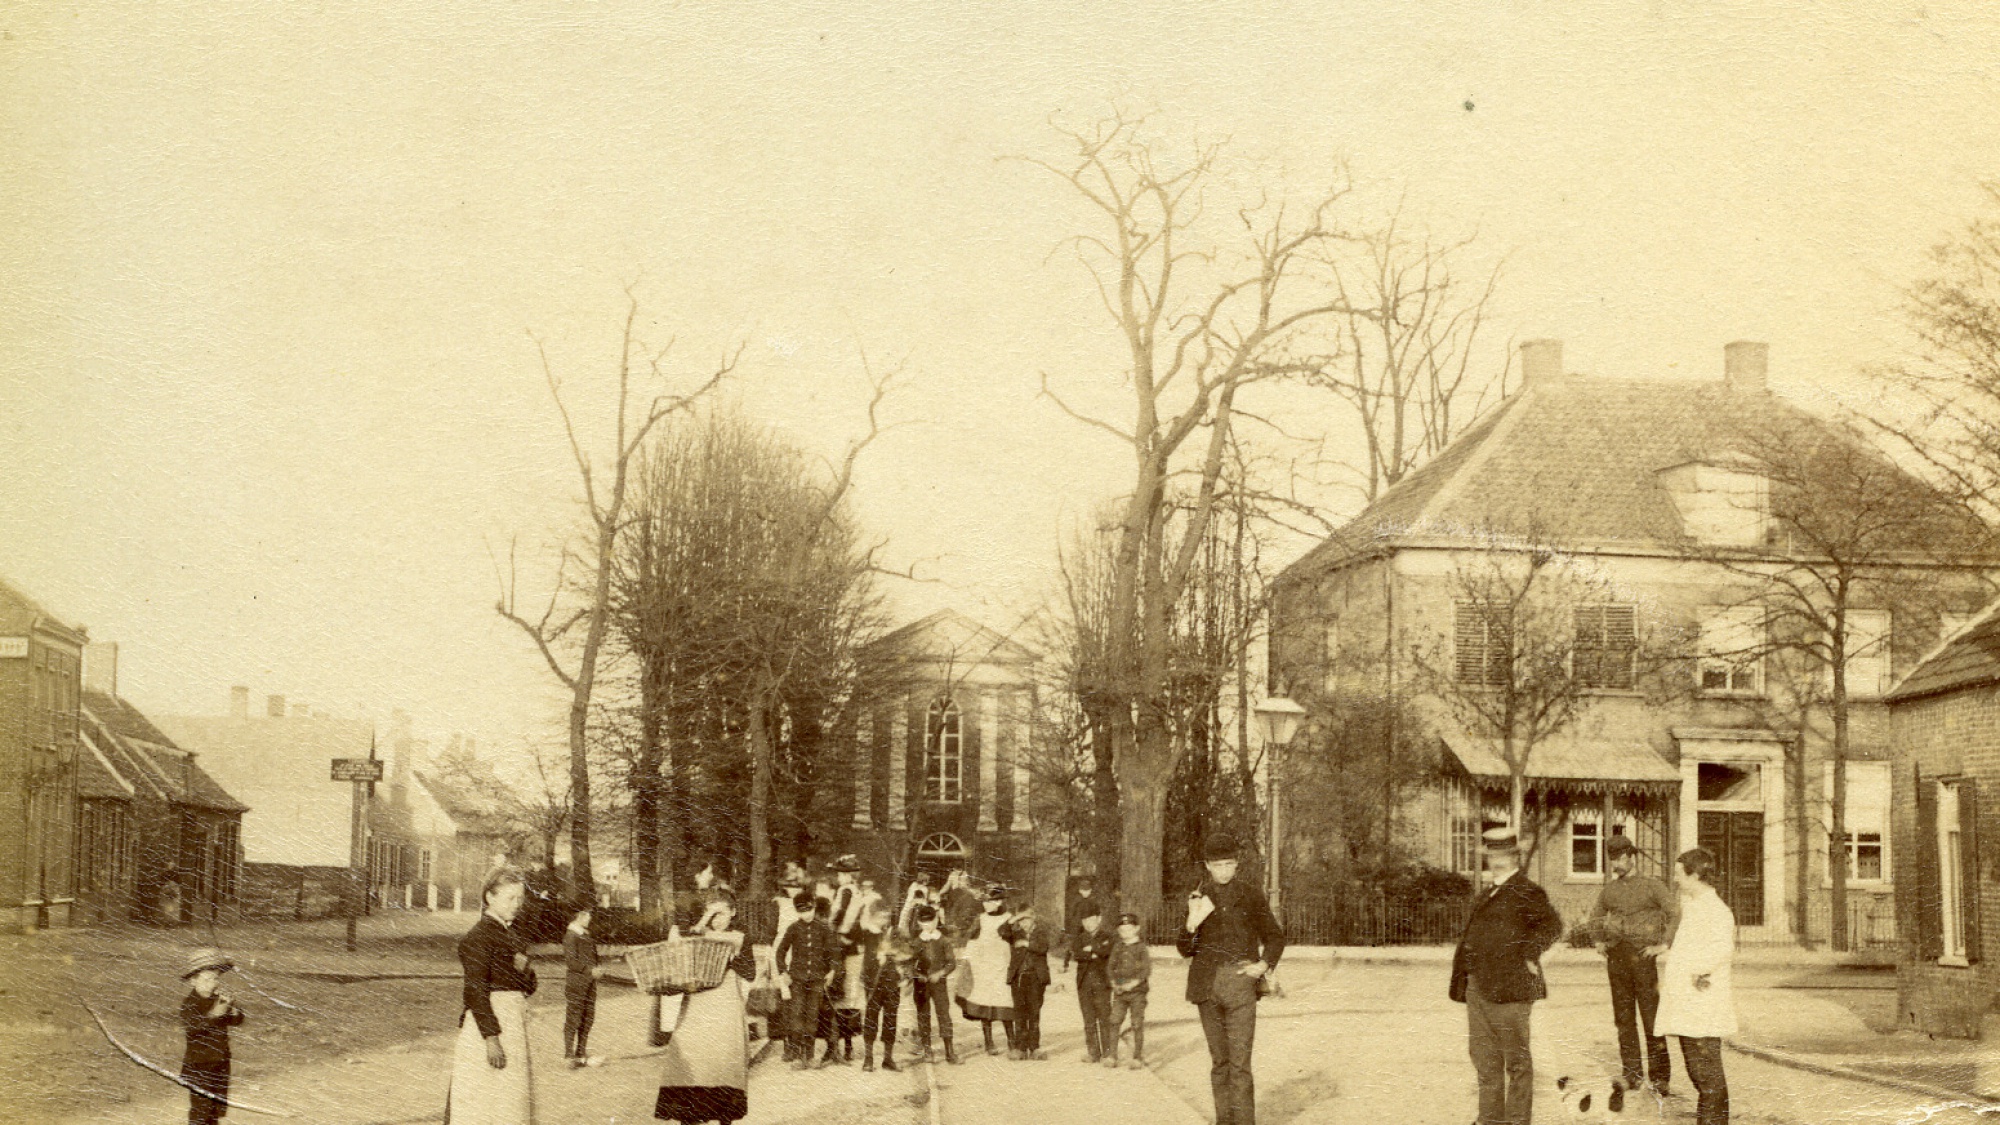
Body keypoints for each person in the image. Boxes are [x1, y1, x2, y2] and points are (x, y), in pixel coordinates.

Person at [1449, 827, 1564, 1125]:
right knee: (1485, 1062)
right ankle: (1489, 1120)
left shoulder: (1527, 891)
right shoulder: (1487, 893)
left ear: (1515, 857)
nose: (1497, 860)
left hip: (1511, 988)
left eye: (1504, 854)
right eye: (1492, 855)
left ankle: (1516, 1121)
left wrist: (1529, 953)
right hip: (1476, 987)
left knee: (1516, 1062)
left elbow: (1551, 926)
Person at [1178, 834, 1286, 1125]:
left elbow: (1275, 937)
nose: (1224, 871)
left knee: (1240, 1064)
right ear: (1208, 867)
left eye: (1229, 864)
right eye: (1218, 865)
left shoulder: (1250, 895)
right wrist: (1192, 922)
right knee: (1219, 1062)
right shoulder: (1198, 899)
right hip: (1206, 986)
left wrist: (1262, 964)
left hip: (1240, 984)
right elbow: (1183, 948)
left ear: (1236, 865)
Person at [651, 896, 759, 1125]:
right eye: (711, 914)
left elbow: (750, 973)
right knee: (691, 1059)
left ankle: (724, 1118)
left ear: (733, 912)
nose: (716, 920)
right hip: (697, 1008)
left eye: (721, 913)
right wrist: (705, 920)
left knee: (723, 1062)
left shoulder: (739, 938)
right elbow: (682, 946)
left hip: (726, 1008)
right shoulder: (698, 936)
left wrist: (732, 961)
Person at [1588, 834, 1679, 1096]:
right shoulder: (1610, 890)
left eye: (1619, 858)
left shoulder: (1653, 886)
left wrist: (1664, 944)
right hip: (1617, 958)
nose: (1615, 864)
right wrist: (1598, 940)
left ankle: (1660, 1078)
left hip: (1643, 957)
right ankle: (1632, 1074)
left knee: (1652, 1019)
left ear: (1632, 856)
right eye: (1612, 859)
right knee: (1624, 1019)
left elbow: (1675, 913)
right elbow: (1595, 917)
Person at [448, 868, 538, 1125]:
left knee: (510, 1099)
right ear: (490, 897)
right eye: (510, 898)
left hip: (514, 1021)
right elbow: (475, 991)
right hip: (490, 1026)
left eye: (520, 898)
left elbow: (528, 987)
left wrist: (524, 970)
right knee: (487, 1100)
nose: (517, 905)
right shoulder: (477, 937)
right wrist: (491, 1039)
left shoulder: (511, 935)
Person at [1656, 847, 1737, 1125]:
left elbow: (1722, 950)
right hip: (1690, 1004)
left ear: (1695, 875)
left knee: (1706, 1075)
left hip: (1702, 1005)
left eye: (1679, 874)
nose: (1676, 880)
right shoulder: (1694, 907)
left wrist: (1695, 971)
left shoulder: (1715, 910)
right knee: (1700, 1074)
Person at [775, 894, 842, 1069]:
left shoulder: (823, 928)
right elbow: (780, 952)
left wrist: (832, 971)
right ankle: (799, 1055)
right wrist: (783, 972)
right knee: (796, 1016)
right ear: (797, 911)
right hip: (797, 979)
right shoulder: (793, 929)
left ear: (814, 908)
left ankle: (810, 1056)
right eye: (801, 911)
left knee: (812, 1017)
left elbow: (835, 951)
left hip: (817, 980)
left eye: (809, 910)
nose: (806, 915)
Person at [179, 947, 243, 1125]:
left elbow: (237, 1020)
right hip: (200, 1066)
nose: (212, 984)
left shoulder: (217, 1000)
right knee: (201, 1110)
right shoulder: (189, 1004)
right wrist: (215, 1013)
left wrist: (233, 1008)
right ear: (193, 980)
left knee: (215, 1110)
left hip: (220, 1063)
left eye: (215, 978)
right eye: (206, 979)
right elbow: (193, 1027)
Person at [956, 885, 1018, 1056]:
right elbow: (971, 938)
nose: (986, 905)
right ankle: (989, 1042)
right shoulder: (981, 919)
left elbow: (1015, 940)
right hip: (984, 966)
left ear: (999, 901)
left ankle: (1012, 1042)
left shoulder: (1008, 918)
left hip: (1002, 964)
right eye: (984, 902)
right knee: (985, 1002)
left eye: (989, 902)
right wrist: (969, 958)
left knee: (1005, 1001)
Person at [858, 892, 906, 1072]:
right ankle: (868, 1058)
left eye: (886, 916)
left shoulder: (895, 933)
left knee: (891, 1019)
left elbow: (906, 954)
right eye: (880, 916)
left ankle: (888, 1058)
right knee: (871, 1019)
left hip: (892, 982)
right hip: (873, 982)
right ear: (872, 916)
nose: (884, 920)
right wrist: (877, 957)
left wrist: (898, 960)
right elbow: (864, 957)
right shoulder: (867, 933)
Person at [908, 904, 962, 1064]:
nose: (928, 925)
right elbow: (909, 963)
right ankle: (927, 1051)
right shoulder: (916, 942)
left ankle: (949, 1052)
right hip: (922, 985)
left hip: (939, 985)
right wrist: (918, 975)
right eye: (924, 922)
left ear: (936, 920)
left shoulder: (943, 940)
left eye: (930, 921)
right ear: (919, 923)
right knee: (923, 1016)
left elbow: (951, 962)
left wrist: (940, 973)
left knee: (944, 1015)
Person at [999, 903, 1051, 1060]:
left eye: (1027, 919)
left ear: (1033, 917)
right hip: (1019, 978)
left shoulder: (1041, 932)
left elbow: (1043, 947)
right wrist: (1014, 918)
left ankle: (1034, 1047)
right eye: (1021, 920)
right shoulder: (1015, 933)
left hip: (1036, 978)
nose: (1024, 923)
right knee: (1020, 1013)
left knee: (1034, 1012)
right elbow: (1001, 931)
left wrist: (1027, 944)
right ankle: (1021, 1047)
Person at [1071, 901, 1116, 1063]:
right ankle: (1093, 1052)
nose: (1087, 924)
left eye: (1090, 919)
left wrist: (1092, 950)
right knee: (1088, 1019)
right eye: (1084, 921)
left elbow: (1107, 951)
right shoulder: (1080, 938)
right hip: (1084, 983)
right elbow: (1076, 953)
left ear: (1099, 919)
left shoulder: (1108, 936)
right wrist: (1094, 953)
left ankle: (1108, 1053)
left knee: (1105, 1018)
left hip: (1102, 983)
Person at [562, 901, 604, 1069]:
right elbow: (571, 962)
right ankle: (568, 1055)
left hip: (589, 983)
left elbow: (594, 956)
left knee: (588, 1018)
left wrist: (599, 968)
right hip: (576, 983)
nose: (590, 917)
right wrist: (589, 970)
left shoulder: (586, 934)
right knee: (574, 1018)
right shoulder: (571, 936)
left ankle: (581, 1053)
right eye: (586, 915)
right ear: (577, 916)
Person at [1107, 911, 1151, 1069]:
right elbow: (1111, 966)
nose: (1124, 933)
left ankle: (1137, 1057)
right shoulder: (1118, 947)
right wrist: (1114, 983)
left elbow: (1145, 970)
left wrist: (1132, 984)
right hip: (1119, 992)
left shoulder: (1141, 948)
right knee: (1114, 1021)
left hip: (1136, 992)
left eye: (1128, 929)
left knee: (1137, 1023)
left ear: (1136, 929)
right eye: (1121, 930)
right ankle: (1112, 1055)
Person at [939, 868, 980, 947]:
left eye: (964, 880)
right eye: (961, 880)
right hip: (958, 918)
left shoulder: (969, 892)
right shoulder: (956, 891)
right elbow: (952, 909)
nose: (962, 882)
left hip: (965, 917)